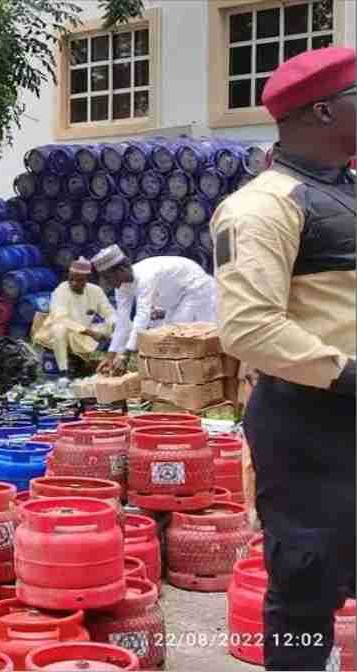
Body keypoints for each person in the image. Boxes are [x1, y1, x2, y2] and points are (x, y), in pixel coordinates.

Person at [210, 47, 355, 672]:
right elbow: (248, 327)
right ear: (323, 110)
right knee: (307, 581)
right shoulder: (263, 207)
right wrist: (348, 373)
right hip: (311, 423)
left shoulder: (347, 192)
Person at [91, 244, 216, 376]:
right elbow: (122, 323)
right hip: (177, 299)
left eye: (107, 277)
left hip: (196, 288)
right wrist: (111, 355)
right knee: (170, 335)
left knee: (182, 335)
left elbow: (142, 316)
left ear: (121, 269)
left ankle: (203, 376)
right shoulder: (121, 288)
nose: (106, 283)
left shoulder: (146, 276)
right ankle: (183, 377)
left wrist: (125, 354)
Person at [33, 257, 115, 374]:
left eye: (79, 280)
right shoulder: (61, 290)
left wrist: (114, 325)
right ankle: (63, 370)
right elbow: (62, 319)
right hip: (62, 330)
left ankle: (108, 361)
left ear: (87, 279)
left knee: (110, 328)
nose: (74, 283)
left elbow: (109, 312)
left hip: (84, 331)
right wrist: (90, 333)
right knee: (59, 329)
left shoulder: (95, 291)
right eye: (71, 279)